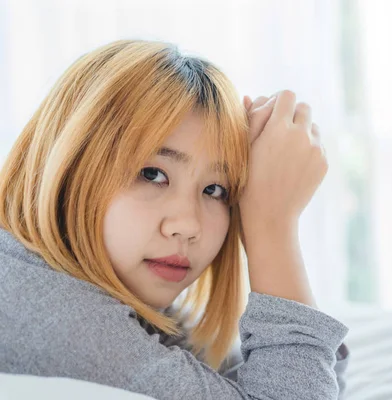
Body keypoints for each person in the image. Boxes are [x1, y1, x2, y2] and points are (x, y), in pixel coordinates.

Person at [0, 39, 349, 399]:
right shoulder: (59, 320)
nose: (189, 225)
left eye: (215, 190)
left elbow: (309, 378)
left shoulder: (104, 297)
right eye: (152, 174)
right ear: (68, 165)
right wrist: (273, 229)